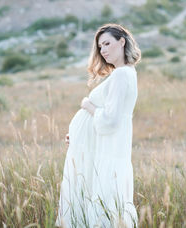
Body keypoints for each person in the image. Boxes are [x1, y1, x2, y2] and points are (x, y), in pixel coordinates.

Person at [55, 23, 141, 228]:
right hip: (103, 148)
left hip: (109, 152)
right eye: (100, 46)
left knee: (104, 202)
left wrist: (88, 105)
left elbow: (110, 121)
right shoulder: (125, 73)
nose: (103, 50)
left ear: (122, 42)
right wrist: (80, 137)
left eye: (107, 43)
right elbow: (112, 121)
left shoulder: (121, 74)